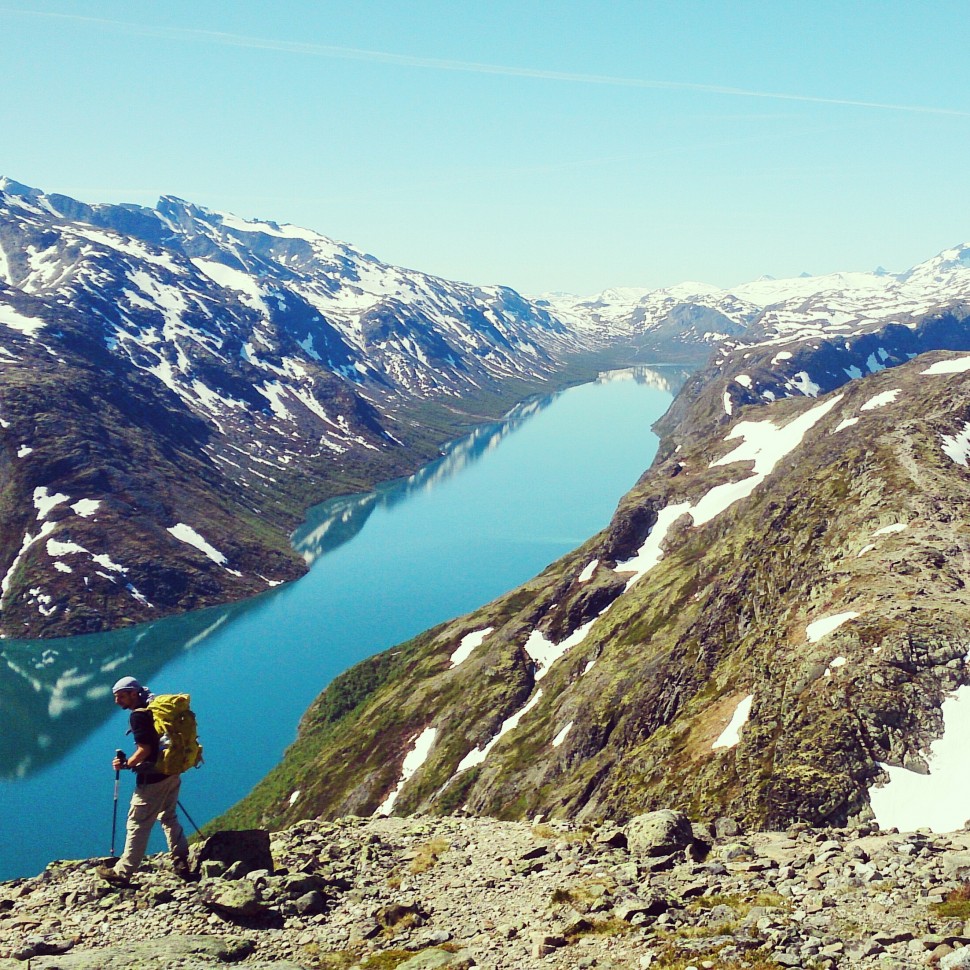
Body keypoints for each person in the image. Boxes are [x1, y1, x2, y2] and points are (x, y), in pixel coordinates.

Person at [96, 676, 191, 885]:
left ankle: (122, 873)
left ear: (133, 693)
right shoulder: (154, 708)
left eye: (121, 696)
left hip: (153, 779)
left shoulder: (139, 716)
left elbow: (145, 749)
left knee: (137, 823)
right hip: (171, 771)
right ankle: (181, 858)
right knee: (168, 816)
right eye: (115, 697)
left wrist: (127, 763)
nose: (117, 701)